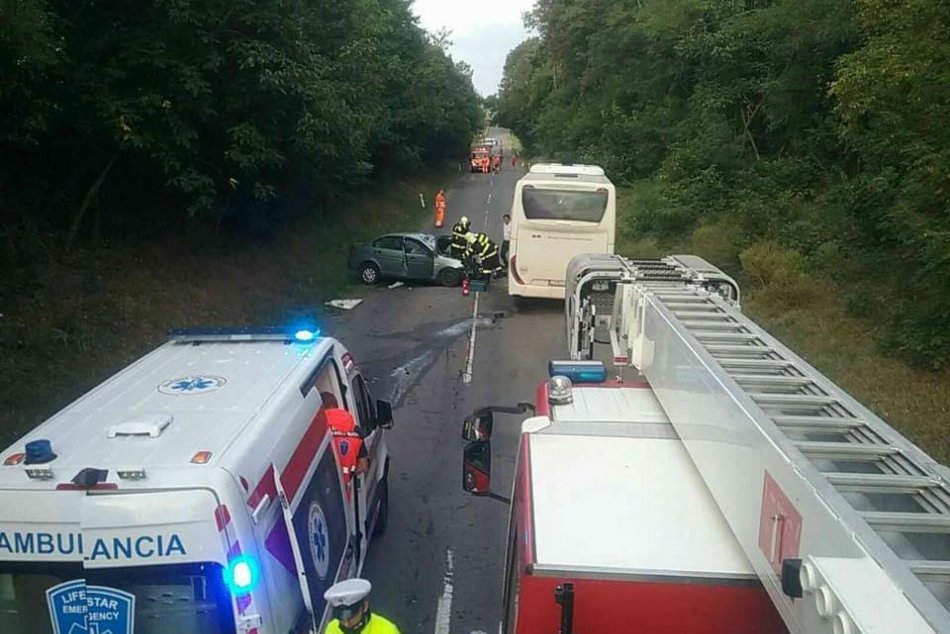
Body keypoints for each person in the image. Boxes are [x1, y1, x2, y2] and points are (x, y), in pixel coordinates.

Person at [324, 578, 400, 634]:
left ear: (365, 606)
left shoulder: (388, 631)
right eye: (341, 618)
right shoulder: (331, 629)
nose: (346, 624)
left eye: (351, 617)